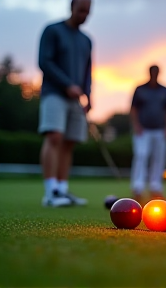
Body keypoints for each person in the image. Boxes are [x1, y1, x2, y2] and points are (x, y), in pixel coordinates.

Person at [38, 0, 93, 207]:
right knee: (54, 137)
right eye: (81, 10)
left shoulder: (87, 40)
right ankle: (50, 192)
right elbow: (44, 62)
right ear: (71, 7)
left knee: (69, 142)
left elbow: (88, 71)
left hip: (76, 99)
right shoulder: (52, 31)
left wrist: (89, 96)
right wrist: (67, 84)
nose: (84, 15)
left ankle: (62, 189)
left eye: (87, 12)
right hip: (54, 94)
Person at [130, 65, 166, 204]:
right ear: (149, 73)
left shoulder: (165, 90)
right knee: (141, 156)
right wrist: (136, 125)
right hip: (143, 130)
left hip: (160, 130)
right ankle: (138, 187)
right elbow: (134, 109)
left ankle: (156, 187)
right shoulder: (140, 89)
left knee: (159, 158)